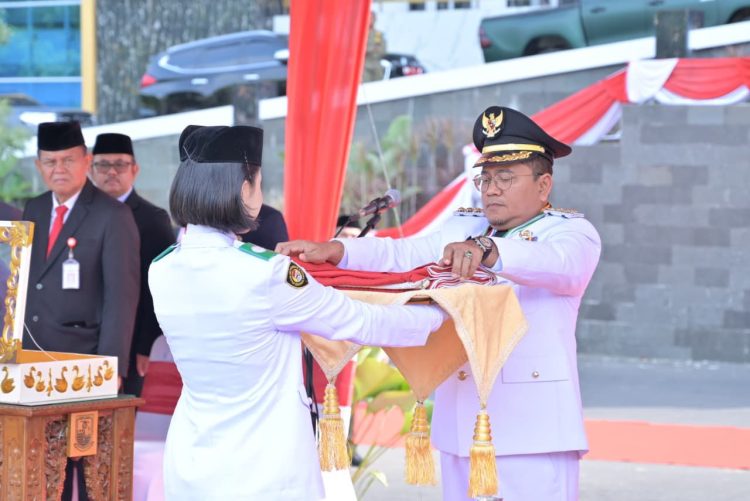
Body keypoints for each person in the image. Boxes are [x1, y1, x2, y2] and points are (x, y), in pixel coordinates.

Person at [277, 106, 602, 501]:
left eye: (505, 178)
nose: (491, 189)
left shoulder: (572, 233)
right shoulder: (465, 225)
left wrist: (489, 249)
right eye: (486, 178)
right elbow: (401, 255)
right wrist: (338, 251)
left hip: (533, 429)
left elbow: (561, 266)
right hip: (463, 423)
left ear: (543, 184)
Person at [148, 124, 447, 500]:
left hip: (193, 462)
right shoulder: (266, 273)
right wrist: (442, 311)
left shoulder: (161, 268)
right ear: (243, 189)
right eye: (258, 182)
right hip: (264, 467)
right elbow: (360, 321)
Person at [23, 121, 140, 501]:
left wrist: (112, 367)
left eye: (68, 160)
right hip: (32, 363)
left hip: (84, 365)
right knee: (39, 470)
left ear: (86, 161)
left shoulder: (112, 215)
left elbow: (121, 296)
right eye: (50, 161)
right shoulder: (34, 208)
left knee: (88, 470)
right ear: (39, 165)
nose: (59, 168)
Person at [90, 132, 175, 397]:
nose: (111, 172)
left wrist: (146, 345)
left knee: (119, 415)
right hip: (82, 339)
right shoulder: (80, 216)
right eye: (103, 165)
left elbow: (159, 287)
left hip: (131, 342)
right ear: (91, 170)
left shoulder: (152, 219)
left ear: (134, 170)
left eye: (120, 164)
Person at [363, 11, 386, 82]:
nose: (371, 20)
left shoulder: (378, 34)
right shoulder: (362, 33)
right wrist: (371, 49)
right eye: (369, 18)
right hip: (365, 66)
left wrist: (374, 49)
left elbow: (382, 49)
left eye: (372, 18)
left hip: (376, 65)